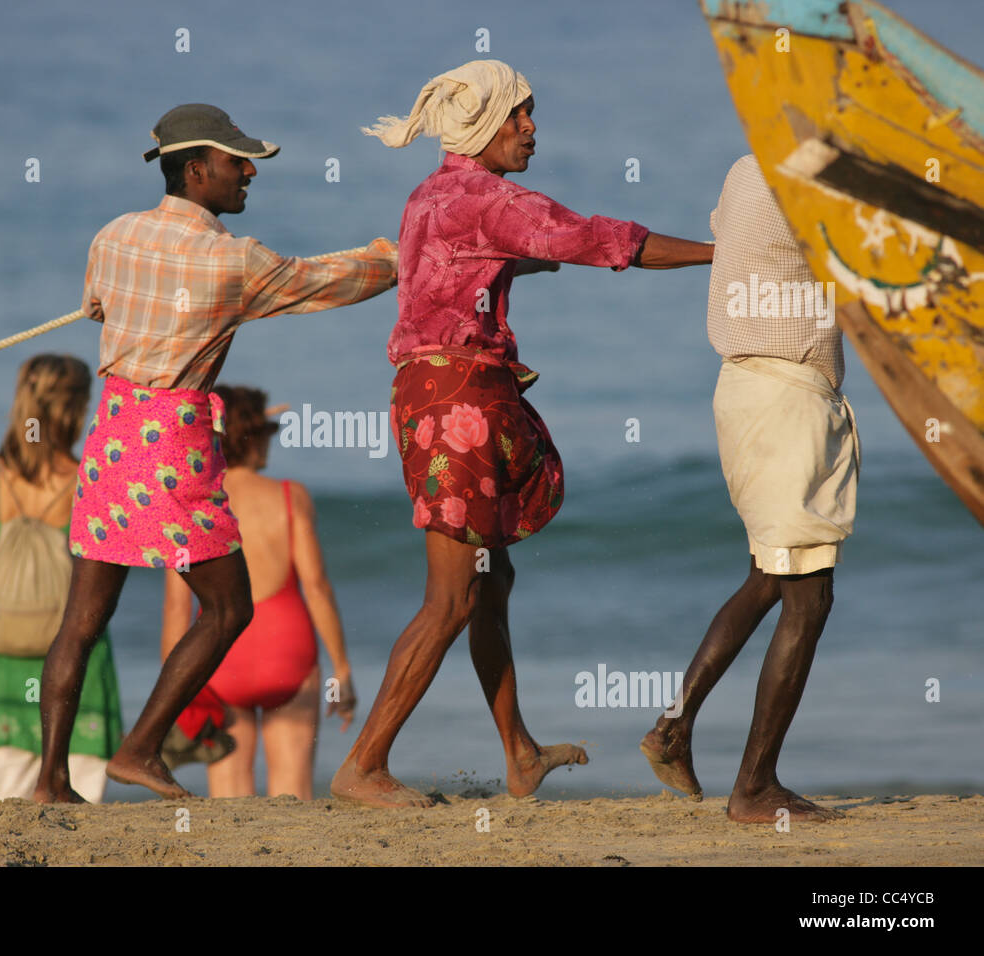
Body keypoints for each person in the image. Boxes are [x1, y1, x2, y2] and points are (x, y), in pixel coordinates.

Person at [332, 60, 716, 808]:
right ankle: (363, 765)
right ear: (483, 124)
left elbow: (492, 258)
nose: (531, 127)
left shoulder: (430, 196)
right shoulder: (481, 196)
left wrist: (536, 256)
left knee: (490, 580)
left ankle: (519, 753)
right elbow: (600, 239)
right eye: (518, 116)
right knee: (450, 599)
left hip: (438, 395)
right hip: (457, 403)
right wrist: (722, 254)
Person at [33, 103, 398, 803]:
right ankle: (140, 749)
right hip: (170, 437)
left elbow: (97, 306)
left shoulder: (112, 235)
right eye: (237, 162)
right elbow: (324, 281)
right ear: (197, 171)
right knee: (230, 609)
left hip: (110, 434)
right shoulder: (234, 260)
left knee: (81, 619)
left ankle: (51, 780)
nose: (250, 172)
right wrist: (402, 258)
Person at [640, 155, 856, 824]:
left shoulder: (744, 170)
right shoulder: (815, 178)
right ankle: (755, 788)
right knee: (809, 595)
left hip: (745, 387)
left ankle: (674, 727)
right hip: (786, 393)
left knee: (770, 573)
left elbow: (733, 234)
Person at [0, 355, 122, 804]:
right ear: (76, 411)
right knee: (81, 811)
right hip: (79, 667)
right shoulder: (91, 481)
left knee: (0, 810)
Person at [162, 386, 356, 799]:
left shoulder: (193, 503)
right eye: (267, 432)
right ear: (252, 437)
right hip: (287, 653)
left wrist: (176, 688)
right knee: (293, 791)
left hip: (219, 655)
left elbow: (176, 608)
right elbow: (317, 587)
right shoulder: (289, 496)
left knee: (228, 797)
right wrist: (342, 670)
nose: (271, 441)